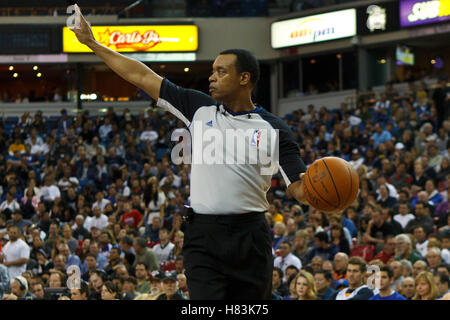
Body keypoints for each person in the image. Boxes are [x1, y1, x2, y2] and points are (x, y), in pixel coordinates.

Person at [70, 5, 310, 300]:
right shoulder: (198, 108)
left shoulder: (274, 128)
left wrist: (320, 190)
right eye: (212, 71)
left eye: (221, 72)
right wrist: (93, 43)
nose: (212, 77)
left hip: (250, 235)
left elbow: (298, 187)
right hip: (202, 234)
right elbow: (140, 75)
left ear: (245, 78)